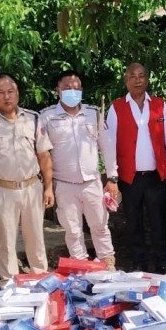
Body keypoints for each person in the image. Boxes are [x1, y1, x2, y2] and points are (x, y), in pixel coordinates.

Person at [0, 73, 55, 286]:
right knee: (5, 242)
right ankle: (9, 285)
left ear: (17, 93)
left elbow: (44, 156)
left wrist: (48, 188)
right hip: (2, 191)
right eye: (1, 92)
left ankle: (40, 280)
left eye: (10, 92)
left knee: (36, 239)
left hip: (32, 187)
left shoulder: (34, 118)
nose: (6, 97)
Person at [102, 62, 166, 273]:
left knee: (158, 221)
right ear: (126, 80)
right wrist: (113, 175)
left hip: (156, 176)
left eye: (141, 76)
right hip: (130, 177)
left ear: (147, 79)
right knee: (133, 221)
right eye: (132, 76)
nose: (137, 80)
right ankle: (139, 262)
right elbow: (110, 143)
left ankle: (162, 261)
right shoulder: (116, 107)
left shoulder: (159, 105)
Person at [39, 70, 118, 270]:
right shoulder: (47, 117)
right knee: (73, 231)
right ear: (58, 90)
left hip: (92, 182)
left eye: (76, 88)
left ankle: (108, 265)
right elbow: (41, 153)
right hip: (64, 184)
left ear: (81, 90)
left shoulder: (93, 114)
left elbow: (107, 147)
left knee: (100, 226)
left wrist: (112, 177)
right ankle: (82, 267)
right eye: (66, 88)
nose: (72, 92)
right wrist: (47, 185)